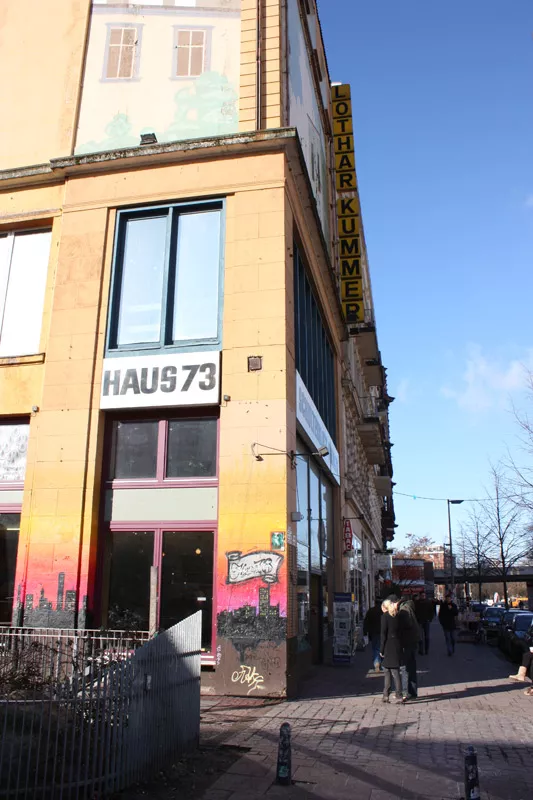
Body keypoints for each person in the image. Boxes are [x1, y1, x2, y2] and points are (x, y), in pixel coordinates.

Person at [380, 596, 403, 703]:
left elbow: (383, 634)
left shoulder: (385, 616)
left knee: (387, 671)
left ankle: (386, 694)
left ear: (385, 607)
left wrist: (381, 649)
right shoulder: (397, 615)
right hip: (396, 643)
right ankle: (398, 695)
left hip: (388, 645)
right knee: (395, 671)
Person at [398, 594, 420, 699]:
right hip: (413, 640)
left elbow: (407, 624)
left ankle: (405, 692)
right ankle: (413, 691)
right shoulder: (410, 607)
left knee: (405, 667)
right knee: (412, 666)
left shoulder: (404, 610)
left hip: (406, 641)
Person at [363, 598, 383, 671]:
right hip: (382, 632)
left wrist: (365, 631)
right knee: (382, 648)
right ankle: (381, 663)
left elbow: (366, 622)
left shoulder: (371, 611)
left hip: (373, 633)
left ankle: (377, 662)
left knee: (375, 648)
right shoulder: (384, 611)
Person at [414, 591, 435, 655]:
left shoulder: (428, 602)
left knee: (427, 636)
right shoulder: (417, 603)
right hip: (419, 621)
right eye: (422, 595)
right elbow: (415, 611)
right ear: (420, 596)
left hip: (426, 621)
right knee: (420, 636)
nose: (423, 596)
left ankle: (426, 650)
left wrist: (430, 619)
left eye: (424, 595)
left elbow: (432, 611)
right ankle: (421, 650)